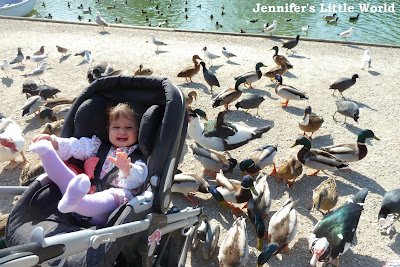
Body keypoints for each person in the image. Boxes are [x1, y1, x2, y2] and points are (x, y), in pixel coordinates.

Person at [29, 103, 148, 225]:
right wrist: (55, 143)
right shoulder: (98, 147)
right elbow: (75, 146)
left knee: (113, 195)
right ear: (108, 130)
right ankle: (47, 153)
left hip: (118, 200)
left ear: (138, 131)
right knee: (75, 177)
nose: (122, 131)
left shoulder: (136, 155)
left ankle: (78, 204)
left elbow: (139, 177)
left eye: (129, 128)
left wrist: (127, 168)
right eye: (116, 127)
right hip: (89, 191)